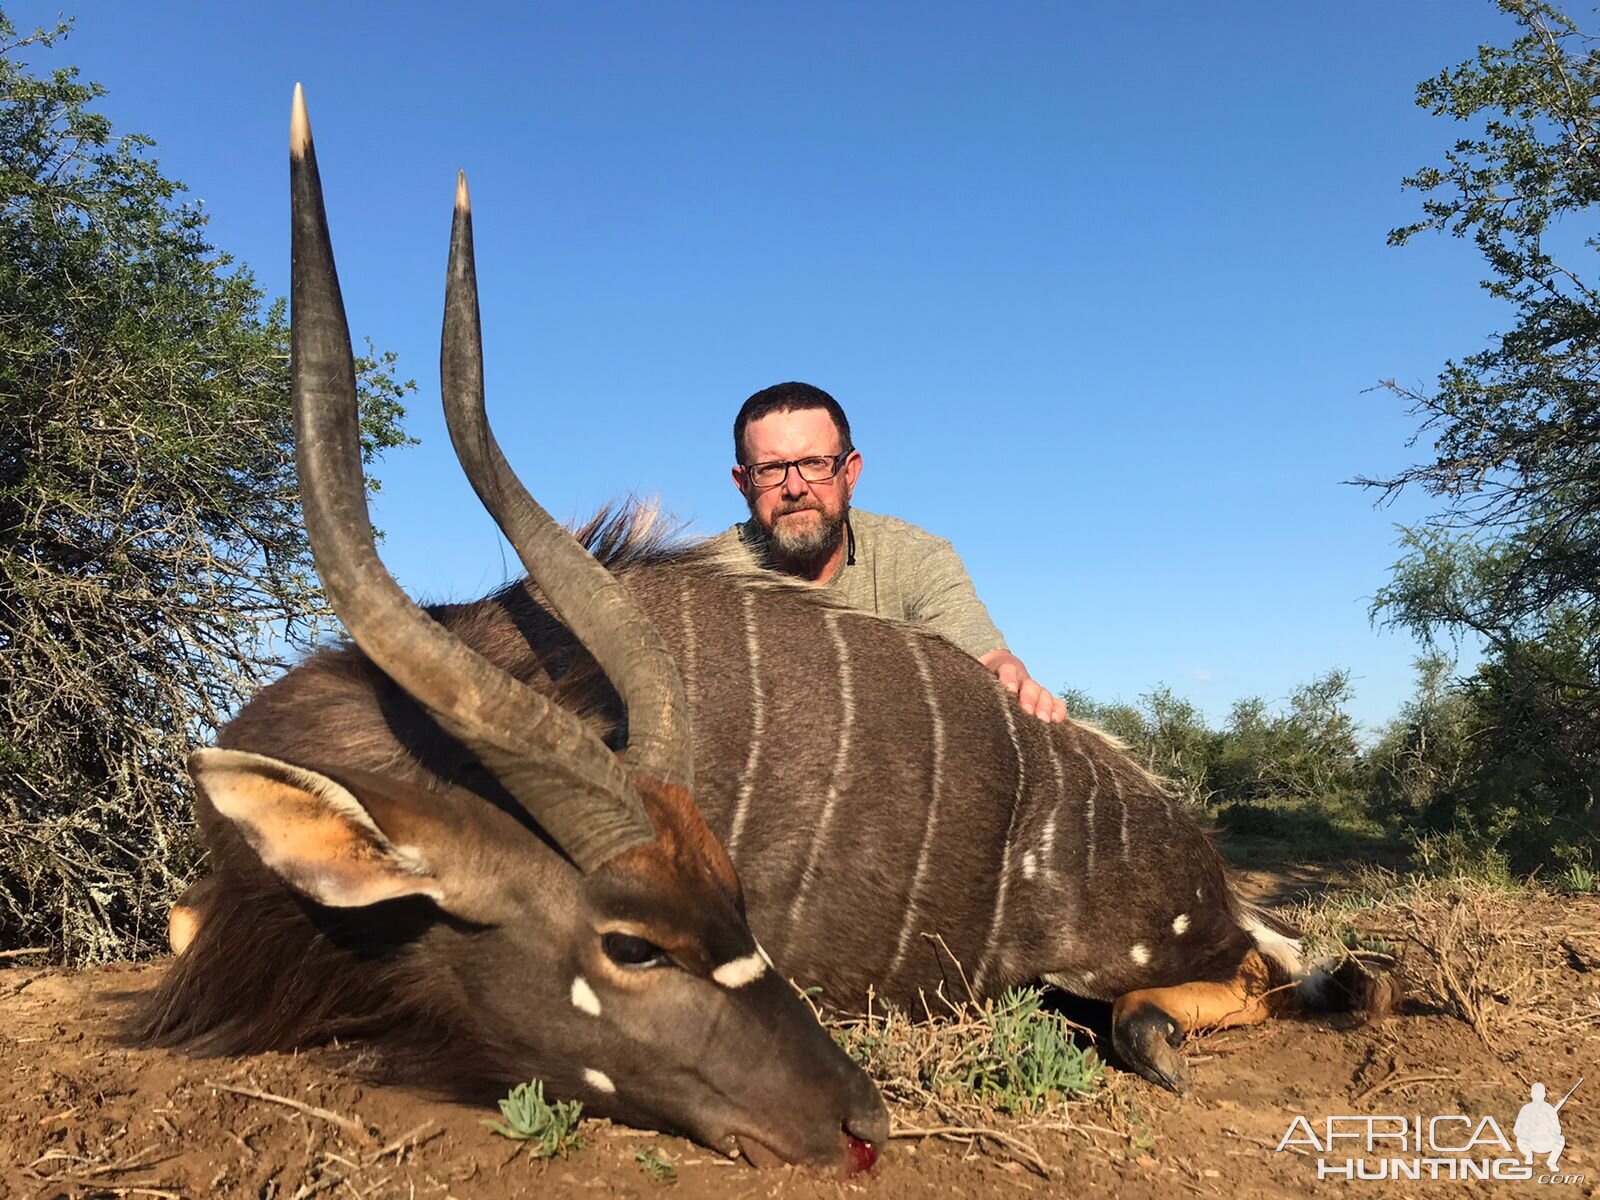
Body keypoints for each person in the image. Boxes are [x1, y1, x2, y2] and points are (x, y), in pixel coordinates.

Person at [713, 381, 1067, 723]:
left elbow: (983, 654)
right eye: (771, 469)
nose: (795, 488)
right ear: (743, 484)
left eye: (815, 464)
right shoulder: (710, 575)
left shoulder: (914, 556)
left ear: (849, 473)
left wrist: (1009, 676)